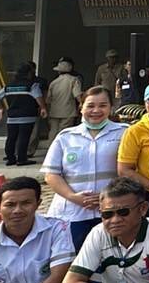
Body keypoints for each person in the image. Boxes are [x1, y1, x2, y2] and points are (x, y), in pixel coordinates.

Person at [41, 86, 128, 249]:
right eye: (90, 105)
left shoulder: (124, 133)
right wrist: (74, 197)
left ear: (111, 107)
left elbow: (130, 171)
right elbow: (51, 174)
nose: (96, 110)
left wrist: (108, 197)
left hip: (111, 211)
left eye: (103, 105)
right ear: (81, 108)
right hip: (72, 212)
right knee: (73, 257)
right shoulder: (66, 137)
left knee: (111, 257)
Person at [0, 62, 46, 167]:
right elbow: (38, 98)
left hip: (12, 117)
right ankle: (22, 159)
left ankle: (10, 158)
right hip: (27, 116)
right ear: (28, 73)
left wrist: (1, 108)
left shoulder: (8, 86)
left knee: (11, 138)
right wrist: (43, 108)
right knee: (24, 137)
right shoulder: (32, 85)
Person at [46, 58, 83, 131]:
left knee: (53, 131)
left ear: (59, 71)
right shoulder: (74, 80)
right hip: (68, 112)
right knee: (64, 132)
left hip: (54, 112)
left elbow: (48, 100)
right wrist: (82, 103)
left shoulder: (53, 82)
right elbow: (77, 95)